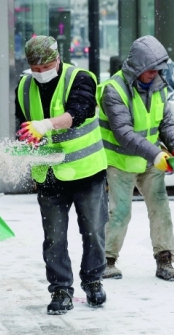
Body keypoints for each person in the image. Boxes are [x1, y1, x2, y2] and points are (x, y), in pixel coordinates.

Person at [15, 36, 108, 315]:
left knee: (93, 231)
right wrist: (27, 140)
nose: (41, 72)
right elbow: (24, 125)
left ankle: (93, 280)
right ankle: (60, 289)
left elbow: (80, 111)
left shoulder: (80, 78)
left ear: (58, 59)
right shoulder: (23, 85)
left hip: (86, 171)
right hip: (49, 174)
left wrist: (46, 125)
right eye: (35, 67)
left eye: (46, 66)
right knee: (54, 236)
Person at [98, 35, 174, 282]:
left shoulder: (159, 86)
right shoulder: (113, 90)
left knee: (160, 208)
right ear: (136, 67)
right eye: (149, 69)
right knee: (121, 212)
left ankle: (165, 260)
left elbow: (166, 123)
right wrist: (157, 153)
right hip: (121, 161)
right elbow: (123, 133)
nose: (154, 74)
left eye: (158, 69)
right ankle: (106, 261)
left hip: (149, 161)